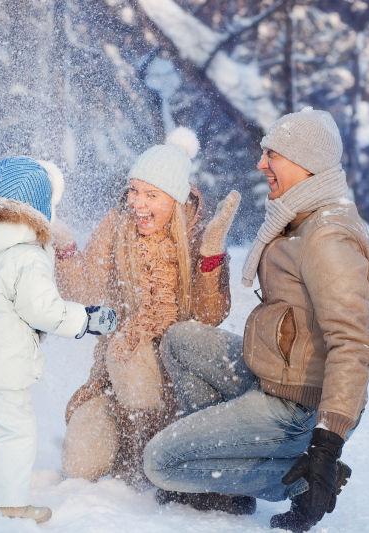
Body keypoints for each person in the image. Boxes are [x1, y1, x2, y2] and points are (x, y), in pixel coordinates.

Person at [143, 108, 369, 531]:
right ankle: (221, 474)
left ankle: (296, 480)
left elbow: (354, 343)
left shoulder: (328, 236)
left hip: (300, 407)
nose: (261, 163)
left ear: (306, 164)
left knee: (159, 462)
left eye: (273, 154)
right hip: (273, 376)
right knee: (181, 340)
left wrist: (325, 449)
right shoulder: (301, 217)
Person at [0, 156, 117, 524]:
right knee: (12, 433)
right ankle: (8, 504)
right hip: (0, 369)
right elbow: (45, 311)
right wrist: (87, 320)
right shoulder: (25, 256)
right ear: (38, 211)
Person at [56, 128, 241, 486]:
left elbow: (210, 316)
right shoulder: (118, 225)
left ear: (174, 199)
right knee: (81, 463)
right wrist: (64, 249)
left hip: (176, 375)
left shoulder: (198, 234)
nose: (138, 204)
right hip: (115, 375)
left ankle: (151, 454)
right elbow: (85, 289)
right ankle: (127, 440)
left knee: (133, 353)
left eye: (151, 195)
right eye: (135, 191)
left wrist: (210, 253)